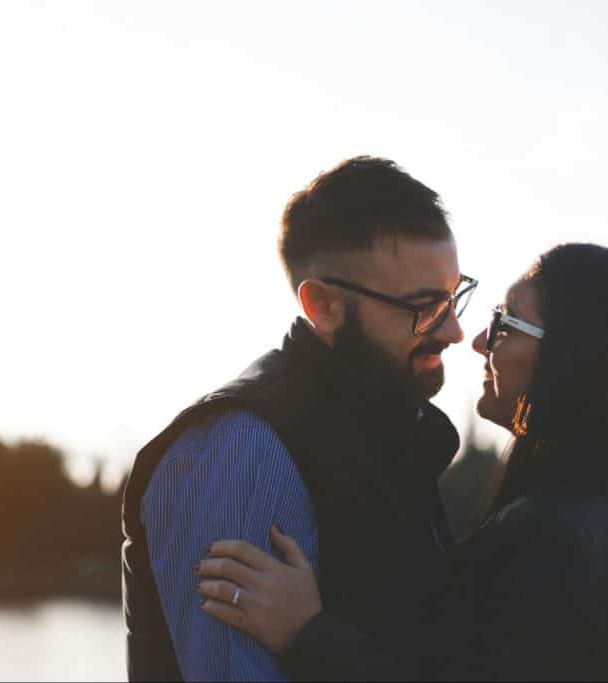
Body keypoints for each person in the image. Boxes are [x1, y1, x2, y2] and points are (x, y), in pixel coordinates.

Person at [196, 243, 608, 681]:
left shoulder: (564, 542)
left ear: (573, 355)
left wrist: (306, 632)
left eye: (505, 323)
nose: (477, 340)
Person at [121, 156, 479, 681]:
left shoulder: (387, 439)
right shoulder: (241, 450)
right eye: (424, 306)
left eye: (453, 298)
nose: (453, 332)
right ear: (323, 305)